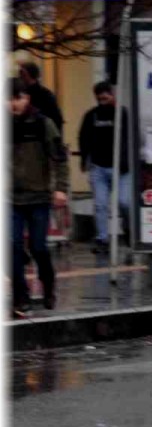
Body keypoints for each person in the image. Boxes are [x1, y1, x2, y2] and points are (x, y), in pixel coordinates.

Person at [10, 78, 68, 314]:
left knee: (38, 247)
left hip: (38, 197)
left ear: (28, 98)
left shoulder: (43, 124)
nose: (14, 103)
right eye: (10, 98)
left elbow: (59, 158)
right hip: (11, 198)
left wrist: (60, 188)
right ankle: (20, 295)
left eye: (19, 97)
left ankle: (48, 284)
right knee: (11, 246)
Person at [78, 82, 131, 253]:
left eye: (105, 95)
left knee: (125, 202)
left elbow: (129, 137)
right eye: (99, 96)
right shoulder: (91, 115)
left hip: (121, 168)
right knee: (100, 204)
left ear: (113, 94)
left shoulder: (122, 114)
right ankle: (102, 238)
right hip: (98, 167)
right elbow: (84, 137)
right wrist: (84, 159)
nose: (102, 99)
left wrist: (127, 160)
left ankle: (129, 229)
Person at [18, 62, 63, 131]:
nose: (20, 77)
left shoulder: (45, 95)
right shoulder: (19, 93)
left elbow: (56, 119)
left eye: (23, 74)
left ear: (31, 75)